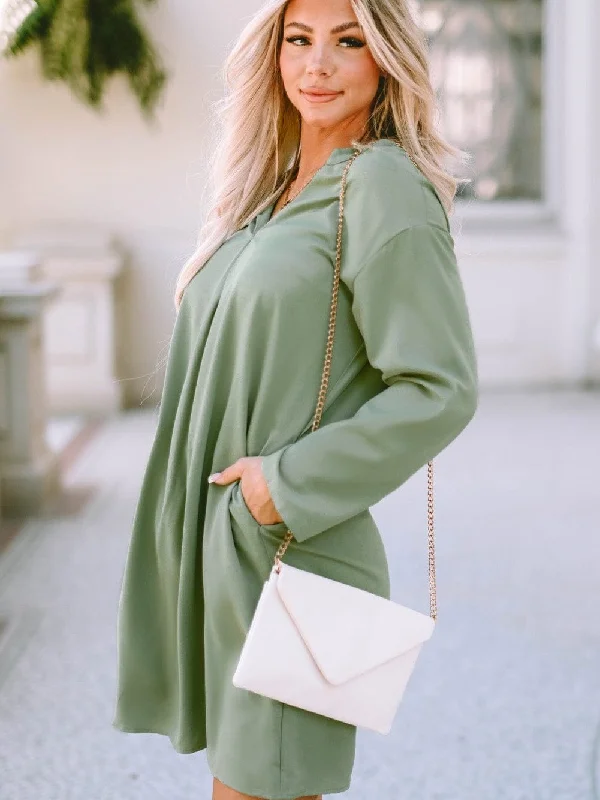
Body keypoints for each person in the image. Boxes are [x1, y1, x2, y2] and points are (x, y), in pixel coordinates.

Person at [112, 0, 479, 798]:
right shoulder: (274, 188)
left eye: (349, 43)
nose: (317, 65)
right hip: (227, 555)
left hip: (290, 555)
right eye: (298, 39)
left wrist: (281, 487)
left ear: (385, 59)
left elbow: (438, 388)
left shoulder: (383, 186)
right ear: (272, 53)